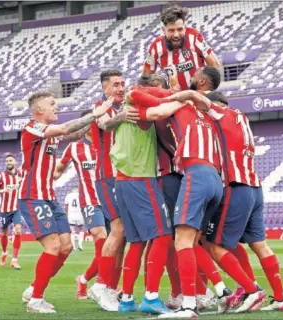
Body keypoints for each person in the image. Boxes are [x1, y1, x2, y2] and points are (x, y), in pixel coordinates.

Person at [134, 87, 229, 319]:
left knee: (182, 241)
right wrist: (186, 93)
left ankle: (188, 305)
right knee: (193, 241)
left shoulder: (179, 107)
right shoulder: (208, 113)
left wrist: (169, 96)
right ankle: (221, 291)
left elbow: (141, 98)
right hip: (215, 178)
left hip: (194, 173)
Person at [18, 91, 112, 313]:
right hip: (33, 196)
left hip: (49, 197)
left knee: (66, 247)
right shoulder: (32, 128)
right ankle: (36, 300)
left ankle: (34, 288)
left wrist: (99, 120)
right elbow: (65, 129)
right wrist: (94, 114)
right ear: (39, 110)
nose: (56, 107)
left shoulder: (50, 135)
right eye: (52, 104)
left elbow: (74, 132)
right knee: (52, 246)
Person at [203, 90, 283, 312]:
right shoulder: (240, 117)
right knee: (259, 244)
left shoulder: (220, 115)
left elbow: (201, 103)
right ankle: (281, 298)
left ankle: (251, 290)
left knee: (214, 245)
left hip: (236, 186)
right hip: (255, 186)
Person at [112, 79, 186, 315]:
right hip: (141, 180)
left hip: (122, 181)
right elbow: (161, 109)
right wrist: (185, 98)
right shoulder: (140, 114)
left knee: (136, 242)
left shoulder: (123, 115)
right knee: (163, 236)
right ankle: (151, 296)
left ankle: (126, 299)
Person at [88, 70, 139, 312]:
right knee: (118, 229)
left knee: (125, 235)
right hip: (107, 176)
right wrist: (122, 116)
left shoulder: (124, 106)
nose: (121, 88)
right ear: (105, 89)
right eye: (115, 84)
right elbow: (105, 124)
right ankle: (100, 286)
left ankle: (110, 287)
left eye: (122, 83)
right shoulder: (102, 106)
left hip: (122, 176)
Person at [54, 119, 108, 300]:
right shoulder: (74, 148)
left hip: (111, 200)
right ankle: (102, 286)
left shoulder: (108, 142)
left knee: (113, 248)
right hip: (91, 202)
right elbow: (58, 170)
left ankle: (84, 279)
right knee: (101, 239)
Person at [142, 4, 222, 91]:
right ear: (163, 30)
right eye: (171, 30)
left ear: (185, 27)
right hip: (175, 98)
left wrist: (206, 93)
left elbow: (214, 66)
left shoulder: (195, 37)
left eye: (180, 29)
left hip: (198, 94)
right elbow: (146, 78)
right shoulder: (155, 47)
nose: (176, 35)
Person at [0, 154, 22, 270]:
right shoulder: (1, 176)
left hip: (17, 208)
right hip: (4, 210)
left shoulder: (21, 174)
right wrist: (3, 190)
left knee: (18, 230)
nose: (8, 162)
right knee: (4, 233)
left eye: (11, 160)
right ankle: (4, 253)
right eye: (7, 161)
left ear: (15, 162)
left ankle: (14, 260)